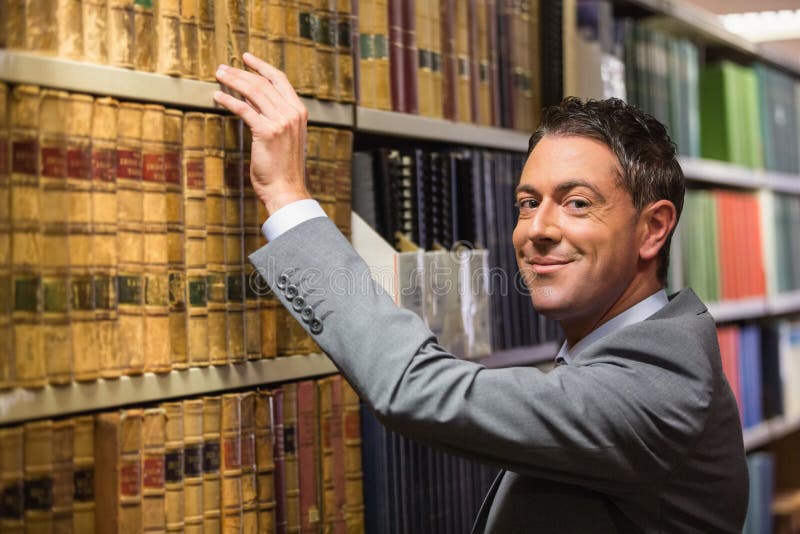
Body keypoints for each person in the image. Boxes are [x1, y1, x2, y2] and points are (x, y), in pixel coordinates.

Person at [213, 52, 748, 533]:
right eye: (527, 201)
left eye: (577, 203)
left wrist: (285, 194)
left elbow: (417, 389)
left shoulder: (663, 386)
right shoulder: (630, 359)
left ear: (653, 229)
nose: (536, 228)